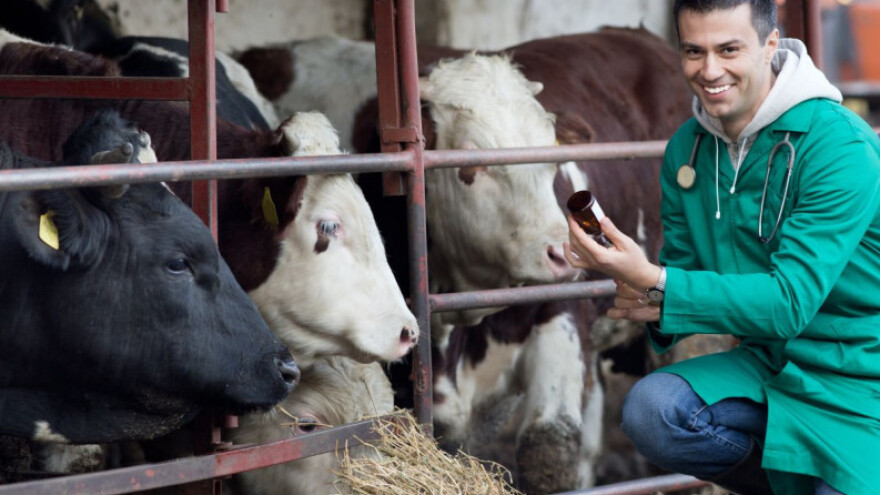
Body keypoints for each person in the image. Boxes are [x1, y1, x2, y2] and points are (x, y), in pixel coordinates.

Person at [563, 1, 880, 494]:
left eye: (728, 49)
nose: (709, 71)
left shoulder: (838, 146)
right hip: (770, 364)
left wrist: (659, 284)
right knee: (652, 411)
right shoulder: (686, 150)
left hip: (861, 375)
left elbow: (788, 304)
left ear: (770, 45)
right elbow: (683, 270)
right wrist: (643, 293)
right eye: (693, 51)